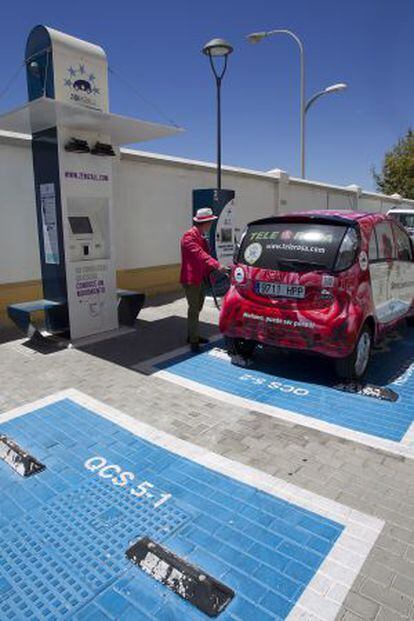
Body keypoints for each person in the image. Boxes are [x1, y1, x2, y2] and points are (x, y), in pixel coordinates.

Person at [180, 207, 228, 351]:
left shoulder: (201, 237)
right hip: (191, 279)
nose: (211, 225)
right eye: (210, 222)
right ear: (205, 223)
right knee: (194, 309)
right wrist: (218, 266)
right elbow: (201, 255)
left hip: (200, 278)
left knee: (198, 307)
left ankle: (192, 334)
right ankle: (193, 341)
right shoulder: (189, 237)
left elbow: (205, 257)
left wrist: (211, 273)